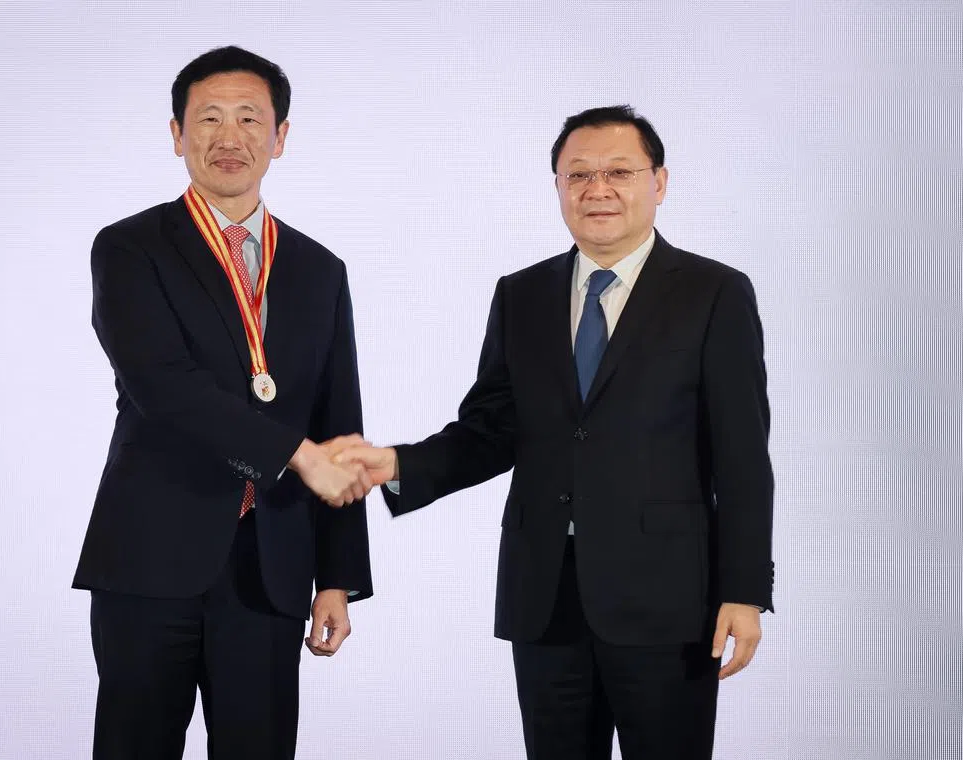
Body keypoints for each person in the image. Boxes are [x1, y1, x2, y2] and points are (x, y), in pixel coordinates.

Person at [338, 105, 774, 760]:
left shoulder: (713, 293)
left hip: (669, 599)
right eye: (579, 175)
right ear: (558, 188)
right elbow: (491, 430)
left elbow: (742, 456)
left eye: (619, 172)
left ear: (659, 182)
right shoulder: (522, 295)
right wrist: (393, 464)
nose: (597, 190)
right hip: (544, 595)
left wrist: (744, 590)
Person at [72, 46, 373, 760]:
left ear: (281, 136)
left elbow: (339, 422)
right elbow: (162, 385)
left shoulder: (318, 268)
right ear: (177, 134)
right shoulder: (130, 248)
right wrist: (292, 453)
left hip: (270, 566)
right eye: (208, 118)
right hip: (150, 559)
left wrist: (339, 577)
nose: (228, 137)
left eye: (249, 118)